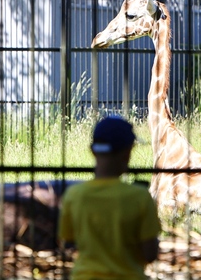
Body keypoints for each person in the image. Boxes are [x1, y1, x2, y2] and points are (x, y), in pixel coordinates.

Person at [58, 116, 161, 280]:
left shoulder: (74, 195)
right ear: (127, 153)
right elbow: (150, 254)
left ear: (92, 150)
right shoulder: (140, 197)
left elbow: (68, 241)